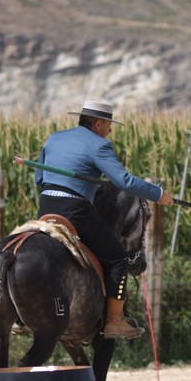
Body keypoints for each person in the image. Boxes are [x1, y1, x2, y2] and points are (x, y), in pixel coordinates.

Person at [35, 99, 174, 339]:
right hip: (76, 211)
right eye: (109, 124)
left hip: (46, 206)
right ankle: (114, 321)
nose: (110, 130)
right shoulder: (100, 146)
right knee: (118, 259)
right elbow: (125, 182)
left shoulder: (54, 138)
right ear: (98, 123)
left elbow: (39, 178)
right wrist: (158, 194)